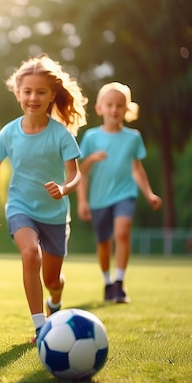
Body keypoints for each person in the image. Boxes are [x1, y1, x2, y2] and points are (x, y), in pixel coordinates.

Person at [0, 55, 87, 344]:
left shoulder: (61, 134)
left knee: (52, 280)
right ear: (18, 93)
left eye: (40, 92)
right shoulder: (9, 132)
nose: (33, 97)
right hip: (20, 207)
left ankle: (55, 299)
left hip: (54, 214)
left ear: (52, 95)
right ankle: (40, 326)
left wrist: (64, 188)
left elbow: (75, 175)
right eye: (27, 91)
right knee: (31, 254)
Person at [76, 82, 162, 304]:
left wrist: (149, 194)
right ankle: (107, 282)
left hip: (125, 194)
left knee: (122, 233)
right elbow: (81, 172)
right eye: (110, 105)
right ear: (100, 108)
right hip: (98, 198)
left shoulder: (133, 137)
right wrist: (82, 201)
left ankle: (119, 283)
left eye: (119, 105)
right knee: (104, 243)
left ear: (126, 109)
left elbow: (137, 168)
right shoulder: (91, 138)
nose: (114, 109)